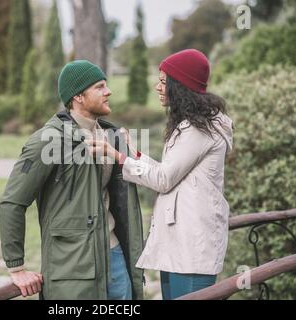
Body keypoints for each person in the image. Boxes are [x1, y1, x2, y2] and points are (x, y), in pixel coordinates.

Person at [86, 49, 234, 299]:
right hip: (180, 245)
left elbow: (163, 180)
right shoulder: (194, 123)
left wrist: (117, 155)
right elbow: (171, 173)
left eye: (164, 81)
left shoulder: (199, 129)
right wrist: (134, 154)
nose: (158, 87)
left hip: (192, 248)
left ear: (181, 85)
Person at [0, 60, 144, 300]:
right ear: (78, 96)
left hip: (115, 254)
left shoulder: (111, 136)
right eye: (99, 87)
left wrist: (127, 150)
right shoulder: (47, 140)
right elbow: (12, 202)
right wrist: (17, 267)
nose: (108, 92)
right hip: (74, 265)